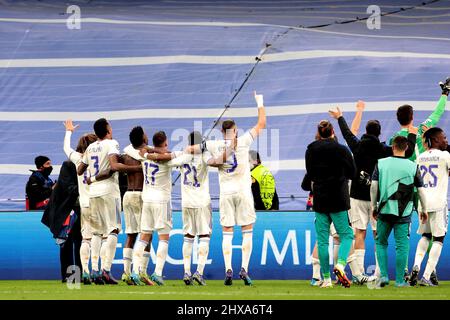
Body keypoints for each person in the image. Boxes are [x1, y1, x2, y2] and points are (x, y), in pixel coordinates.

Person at [329, 101, 417, 281]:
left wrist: (340, 118)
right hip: (377, 198)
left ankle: (359, 273)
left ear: (366, 132)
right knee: (378, 235)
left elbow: (347, 134)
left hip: (356, 195)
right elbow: (405, 154)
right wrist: (412, 136)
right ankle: (379, 274)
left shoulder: (357, 145)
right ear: (379, 133)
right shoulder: (384, 149)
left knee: (359, 232)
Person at [77, 118, 141, 284]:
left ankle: (95, 271)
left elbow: (79, 169)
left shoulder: (90, 147)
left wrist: (91, 173)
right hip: (108, 192)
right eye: (110, 126)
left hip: (93, 194)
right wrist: (137, 168)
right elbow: (113, 166)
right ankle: (106, 270)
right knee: (113, 230)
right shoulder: (111, 144)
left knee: (97, 232)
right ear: (107, 130)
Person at [370, 135, 428, 287]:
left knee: (381, 242)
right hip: (404, 212)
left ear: (393, 147)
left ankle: (383, 276)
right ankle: (400, 281)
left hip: (384, 210)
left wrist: (373, 207)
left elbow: (374, 186)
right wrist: (423, 209)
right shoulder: (413, 166)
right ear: (407, 148)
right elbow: (421, 191)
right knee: (402, 245)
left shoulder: (381, 164)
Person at [304, 120, 356, 288]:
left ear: (319, 133)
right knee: (346, 235)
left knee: (322, 240)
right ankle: (340, 264)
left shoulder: (311, 149)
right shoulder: (341, 149)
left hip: (320, 199)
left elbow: (310, 174)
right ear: (333, 131)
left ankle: (326, 279)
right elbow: (353, 172)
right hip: (338, 199)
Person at [410, 127, 450, 286]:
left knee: (425, 236)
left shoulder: (420, 158)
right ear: (435, 140)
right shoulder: (445, 155)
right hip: (439, 203)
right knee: (439, 238)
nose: (446, 140)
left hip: (423, 203)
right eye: (444, 138)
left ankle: (416, 265)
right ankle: (426, 276)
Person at [41, 159, 81, 282]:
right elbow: (71, 189)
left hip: (74, 211)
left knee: (77, 244)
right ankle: (70, 277)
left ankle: (77, 276)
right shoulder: (68, 167)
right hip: (66, 213)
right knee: (68, 244)